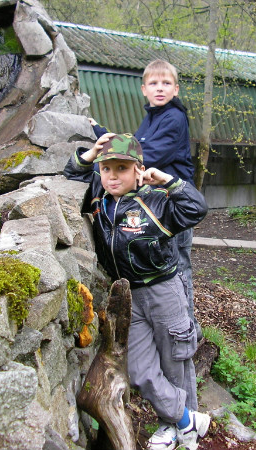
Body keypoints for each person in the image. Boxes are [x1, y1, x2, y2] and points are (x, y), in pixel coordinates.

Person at [64, 133, 210, 450]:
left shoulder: (155, 201)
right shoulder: (99, 196)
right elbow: (71, 174)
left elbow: (197, 208)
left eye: (122, 168)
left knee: (175, 359)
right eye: (107, 168)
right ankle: (187, 420)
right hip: (129, 296)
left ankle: (175, 427)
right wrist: (91, 153)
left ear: (138, 170)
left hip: (164, 291)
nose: (112, 176)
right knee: (139, 369)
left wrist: (168, 180)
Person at [89, 59, 202, 341]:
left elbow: (147, 155)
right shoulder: (153, 117)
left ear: (176, 89)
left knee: (179, 265)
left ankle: (188, 328)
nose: (159, 88)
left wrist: (103, 159)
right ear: (143, 89)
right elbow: (135, 148)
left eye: (166, 83)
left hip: (172, 204)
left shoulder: (173, 117)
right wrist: (103, 135)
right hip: (157, 204)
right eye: (153, 83)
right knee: (167, 262)